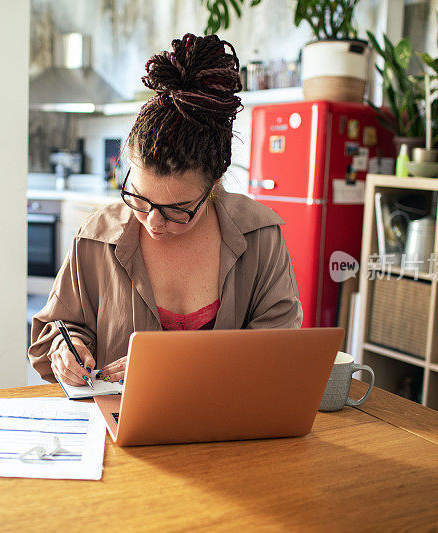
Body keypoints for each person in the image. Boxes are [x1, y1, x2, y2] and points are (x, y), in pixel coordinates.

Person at [28, 33, 302, 386]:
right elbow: (55, 332)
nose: (154, 221)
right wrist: (69, 350)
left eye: (178, 209)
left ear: (214, 182)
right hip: (120, 432)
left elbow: (280, 353)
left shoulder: (261, 237)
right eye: (140, 199)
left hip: (232, 433)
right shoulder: (95, 237)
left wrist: (175, 368)